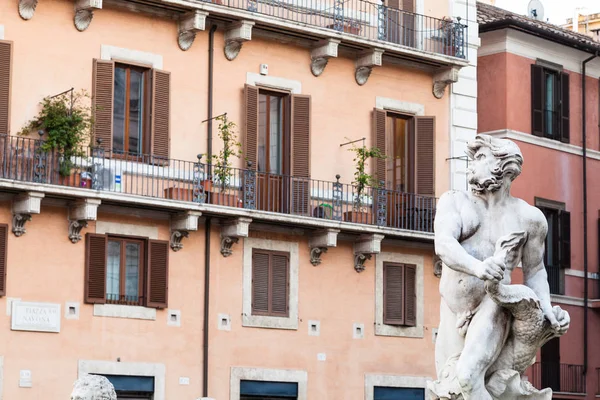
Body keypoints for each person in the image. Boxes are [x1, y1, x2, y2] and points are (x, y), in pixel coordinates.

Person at [433, 134, 569, 399]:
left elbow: (536, 271)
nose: (471, 164)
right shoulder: (454, 202)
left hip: (494, 305)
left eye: (480, 157)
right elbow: (444, 245)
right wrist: (478, 267)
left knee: (467, 380)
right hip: (453, 315)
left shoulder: (529, 218)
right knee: (449, 391)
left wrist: (547, 308)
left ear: (504, 165)